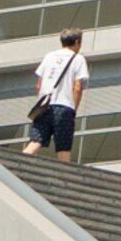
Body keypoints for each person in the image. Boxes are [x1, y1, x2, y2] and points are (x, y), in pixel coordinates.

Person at [22, 31, 89, 159]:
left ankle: (18, 162)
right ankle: (65, 177)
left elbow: (38, 85)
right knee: (63, 148)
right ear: (76, 42)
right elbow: (78, 87)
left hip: (44, 107)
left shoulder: (49, 56)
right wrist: (73, 110)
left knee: (36, 141)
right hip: (64, 107)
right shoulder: (78, 58)